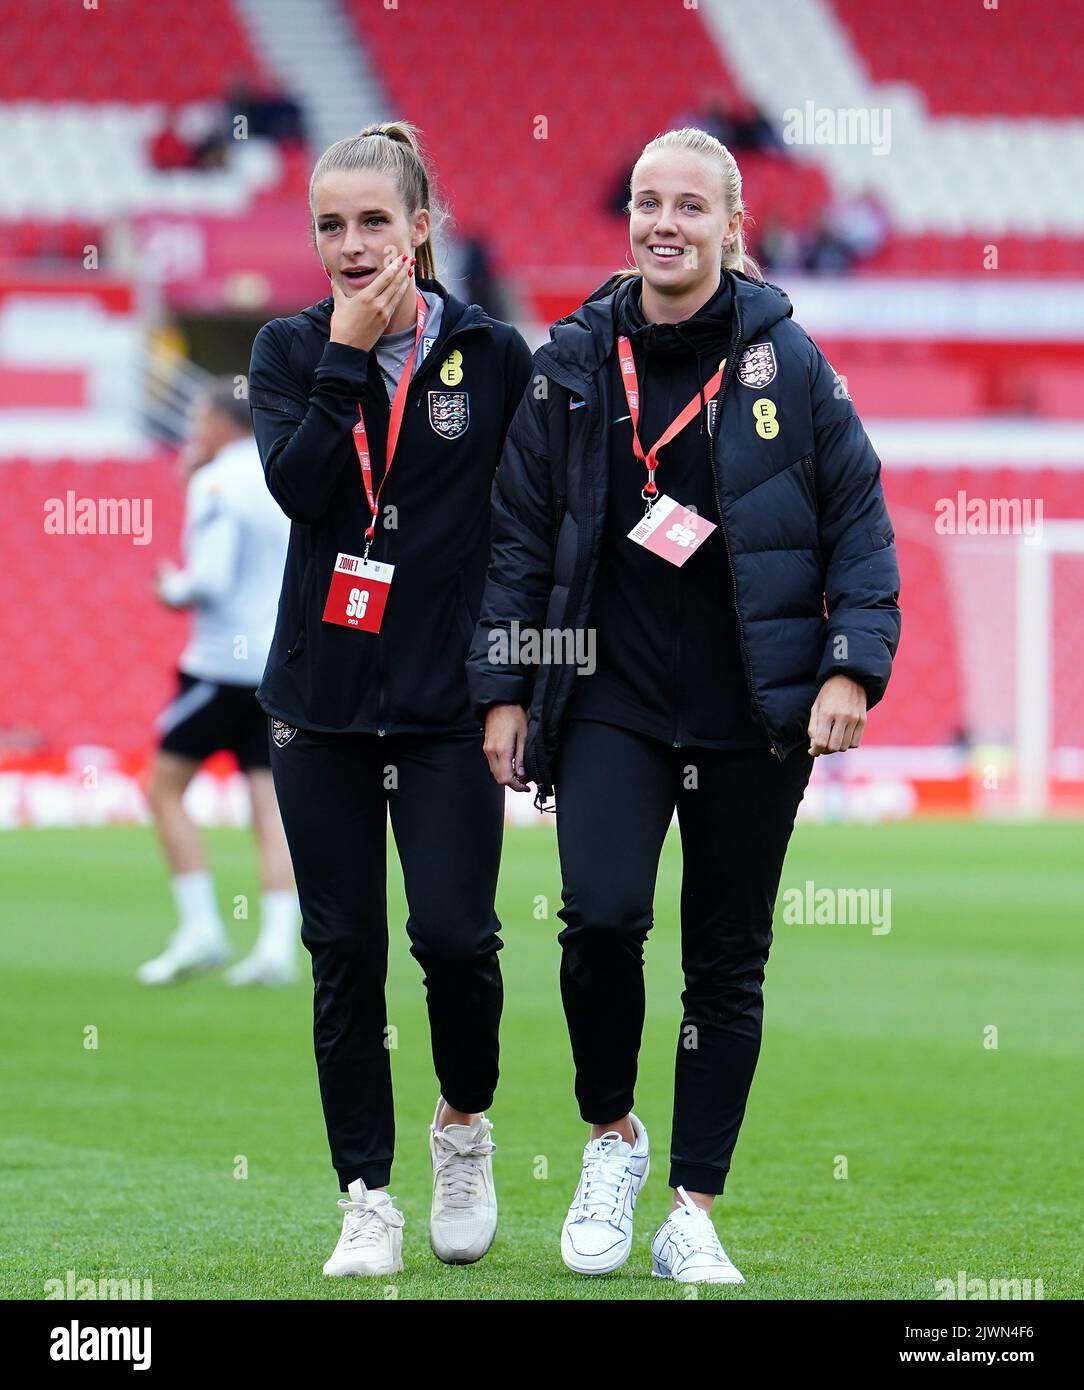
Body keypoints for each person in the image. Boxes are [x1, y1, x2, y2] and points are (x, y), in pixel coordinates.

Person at [469, 127, 901, 1284]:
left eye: (689, 207)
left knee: (726, 961)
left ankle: (692, 1208)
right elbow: (514, 539)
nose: (664, 223)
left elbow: (859, 522)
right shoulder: (569, 360)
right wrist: (504, 685)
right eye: (646, 202)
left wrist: (851, 665)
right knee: (600, 918)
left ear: (729, 225)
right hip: (606, 693)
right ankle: (611, 1137)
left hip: (754, 707)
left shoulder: (789, 363)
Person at [246, 121, 533, 1277]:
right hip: (317, 705)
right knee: (341, 948)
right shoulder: (286, 348)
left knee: (455, 939)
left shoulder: (494, 354)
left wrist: (518, 682)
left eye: (375, 220)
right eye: (331, 225)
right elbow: (304, 490)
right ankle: (366, 1192)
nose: (352, 245)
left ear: (423, 224)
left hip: (447, 707)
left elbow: (528, 531)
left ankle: (463, 1126)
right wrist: (346, 358)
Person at [141, 378, 298, 988]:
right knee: (269, 806)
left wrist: (168, 587)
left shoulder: (217, 482)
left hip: (221, 667)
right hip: (274, 665)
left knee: (162, 788)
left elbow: (207, 578)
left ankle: (200, 927)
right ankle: (277, 945)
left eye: (198, 416)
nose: (191, 428)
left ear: (219, 422)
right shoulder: (275, 474)